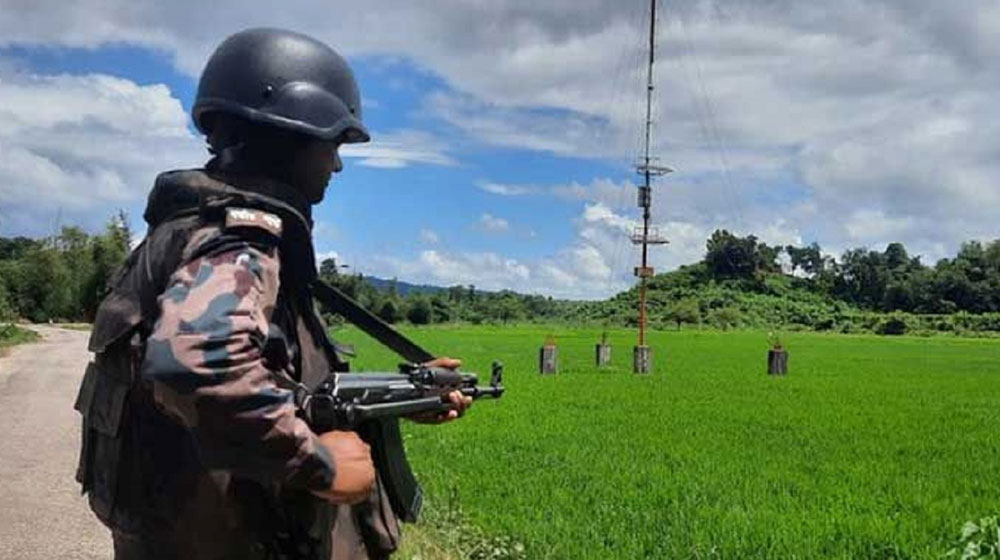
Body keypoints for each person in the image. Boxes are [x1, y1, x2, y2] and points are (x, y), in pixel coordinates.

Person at [74, 28, 471, 560]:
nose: (336, 164)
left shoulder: (182, 232)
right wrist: (320, 464)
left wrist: (405, 399)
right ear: (293, 134)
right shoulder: (239, 241)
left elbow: (278, 378)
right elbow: (195, 362)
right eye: (332, 144)